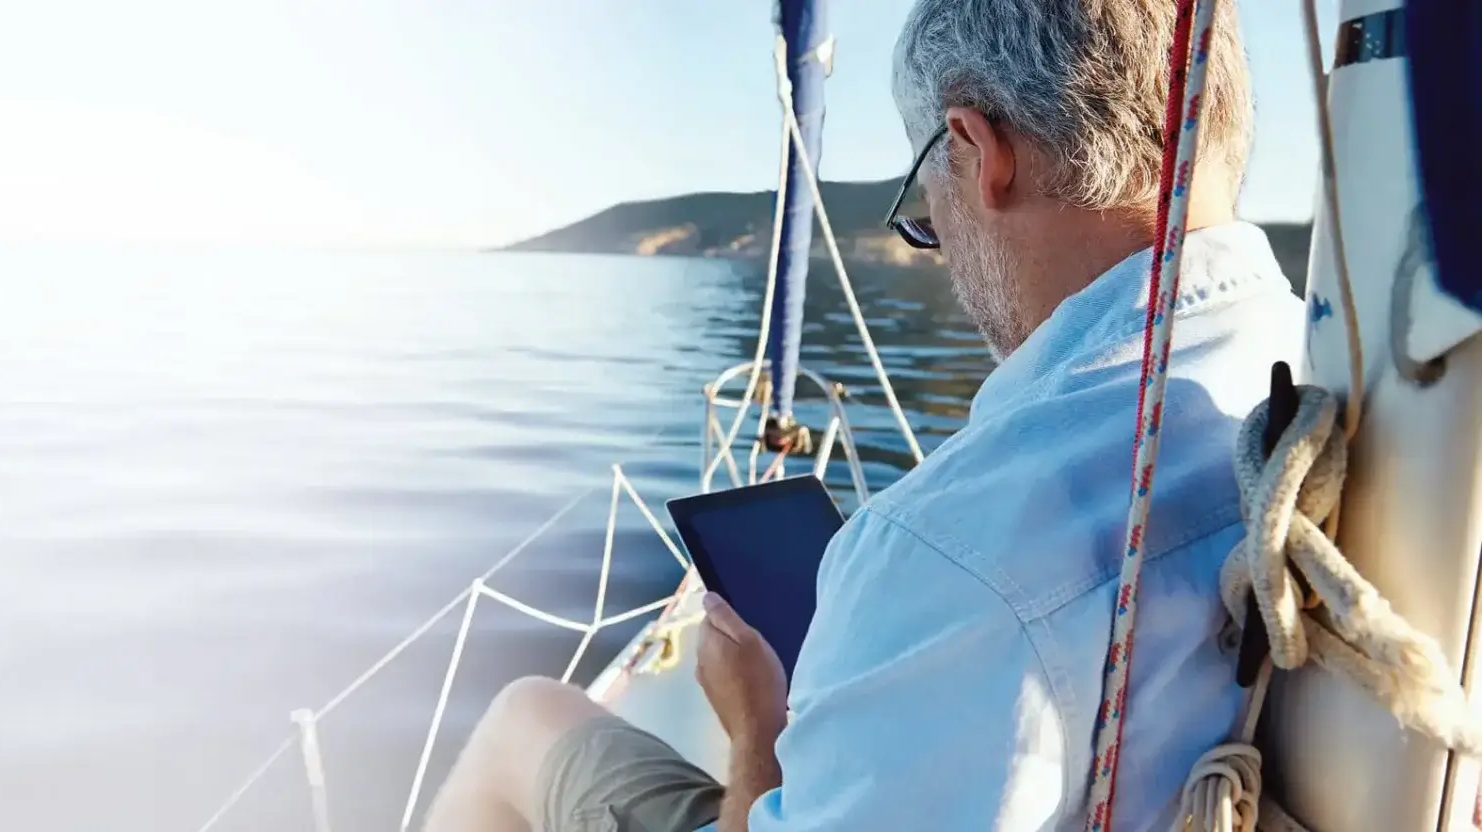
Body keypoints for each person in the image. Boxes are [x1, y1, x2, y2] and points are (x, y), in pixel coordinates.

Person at [422, 0, 1301, 829]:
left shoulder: (951, 562)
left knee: (524, 714)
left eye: (926, 203)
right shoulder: (1315, 378)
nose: (939, 241)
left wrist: (756, 732)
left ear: (977, 150)